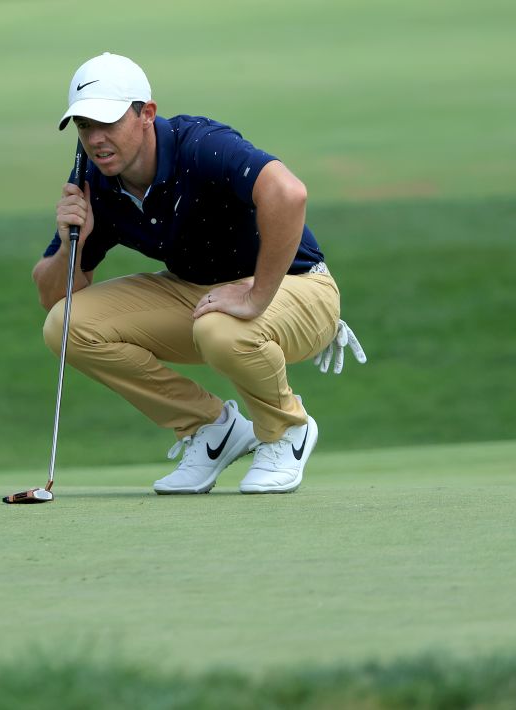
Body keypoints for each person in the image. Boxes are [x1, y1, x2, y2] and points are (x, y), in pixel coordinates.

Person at [33, 52, 365, 495]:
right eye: (84, 126)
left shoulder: (201, 145)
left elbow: (288, 193)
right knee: (66, 324)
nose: (96, 138)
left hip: (298, 287)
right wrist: (72, 243)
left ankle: (286, 428)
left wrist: (257, 296)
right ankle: (211, 428)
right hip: (199, 295)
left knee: (221, 328)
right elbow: (55, 295)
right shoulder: (96, 182)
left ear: (146, 113)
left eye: (108, 122)